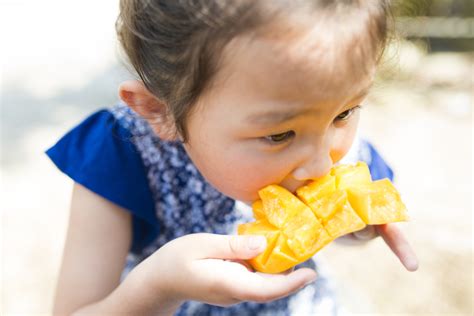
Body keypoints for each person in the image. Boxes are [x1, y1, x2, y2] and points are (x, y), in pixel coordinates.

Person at [47, 1, 418, 315]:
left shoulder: (320, 129)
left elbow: (352, 225)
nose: (323, 164)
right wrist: (160, 285)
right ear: (160, 111)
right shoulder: (120, 154)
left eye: (345, 113)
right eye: (278, 135)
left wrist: (358, 226)